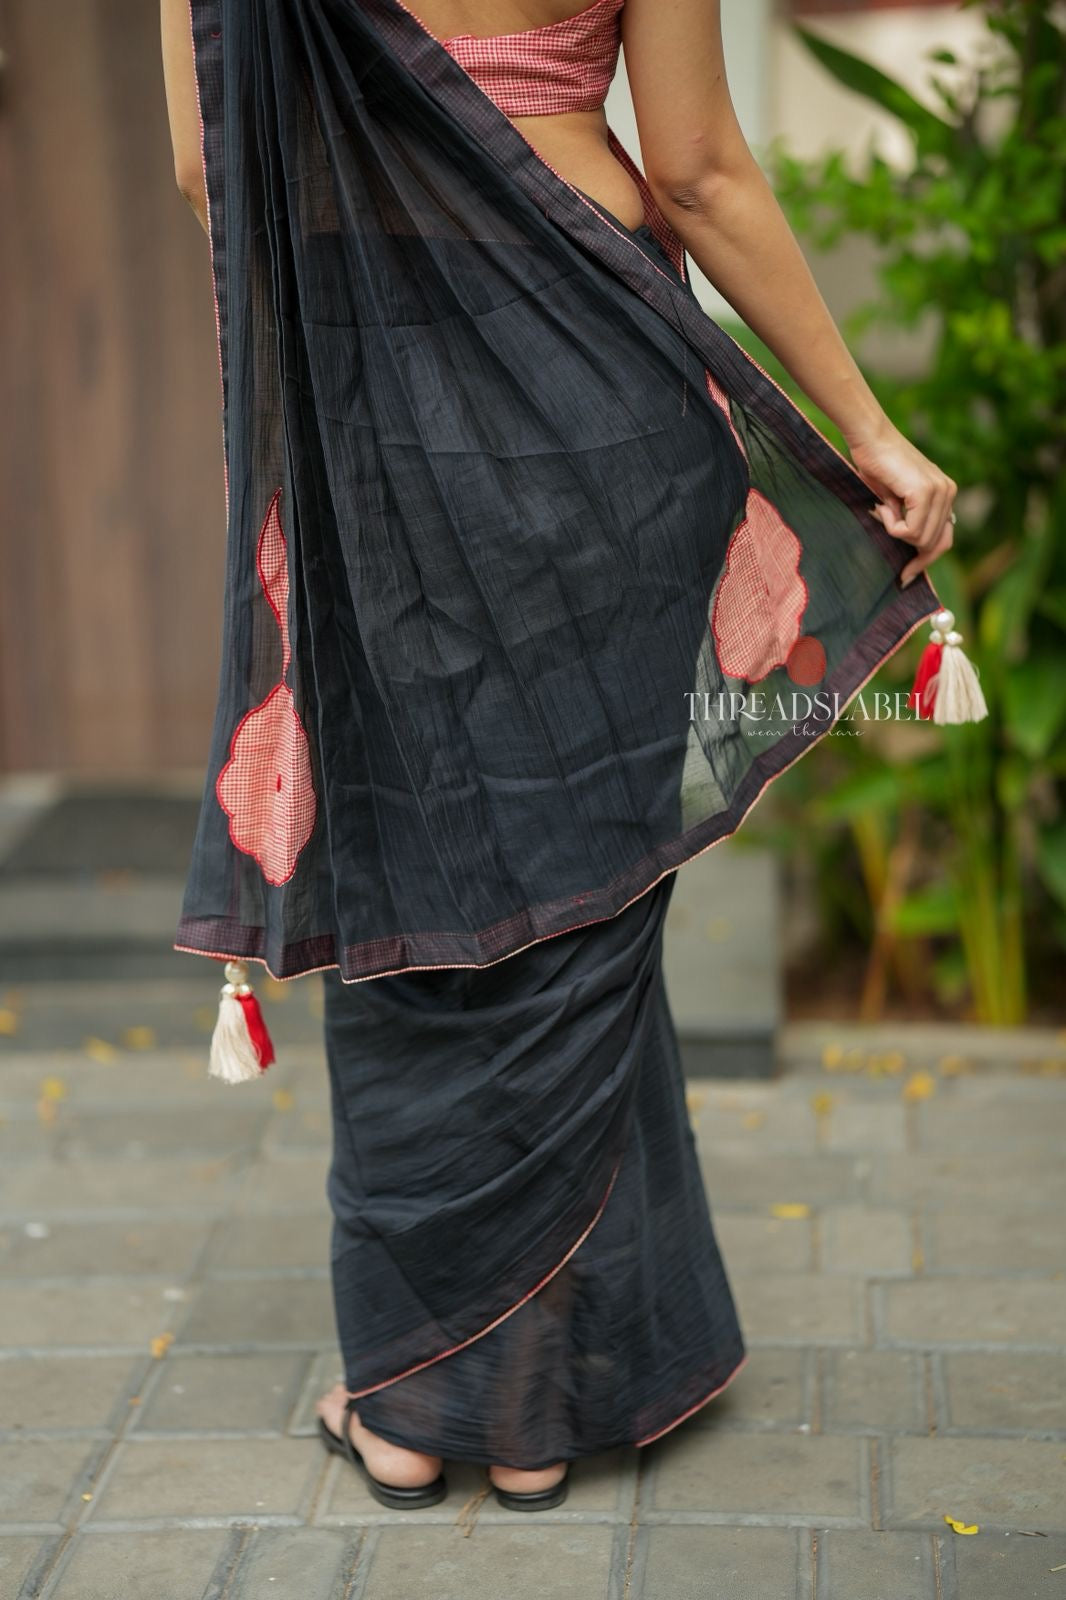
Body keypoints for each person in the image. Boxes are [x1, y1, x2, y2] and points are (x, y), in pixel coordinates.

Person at [161, 0, 956, 1511]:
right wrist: (864, 427)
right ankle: (533, 1424)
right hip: (598, 378)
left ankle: (414, 1405)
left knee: (404, 861)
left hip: (374, 404)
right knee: (584, 869)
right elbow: (700, 171)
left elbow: (210, 165)